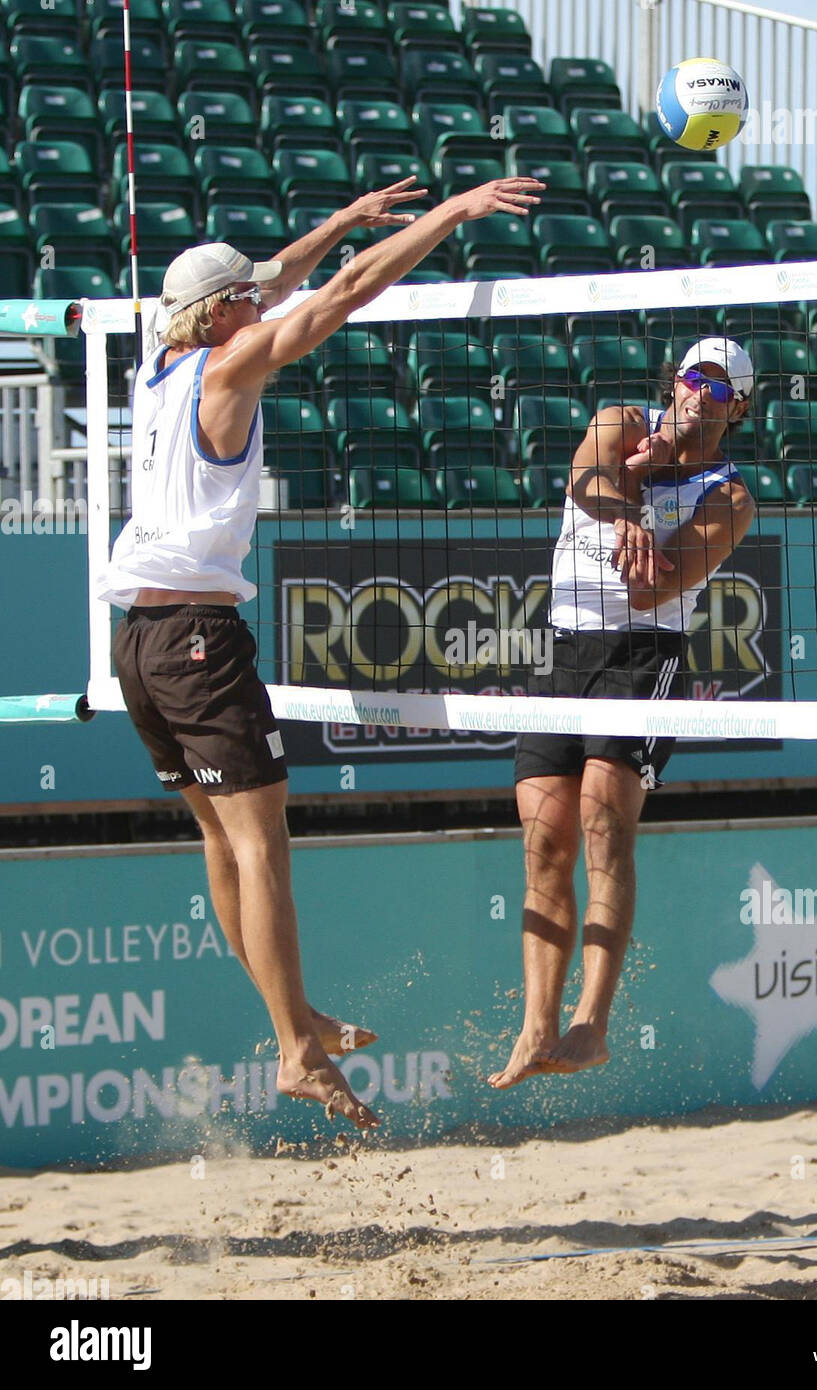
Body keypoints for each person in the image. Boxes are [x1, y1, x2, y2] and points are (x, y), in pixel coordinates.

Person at [97, 175, 545, 1129]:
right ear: (222, 315)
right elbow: (342, 295)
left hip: (135, 639)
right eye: (250, 301)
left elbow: (284, 274)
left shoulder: (160, 364)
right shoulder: (230, 368)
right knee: (263, 849)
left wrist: (337, 223)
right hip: (196, 641)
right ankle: (296, 1049)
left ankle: (293, 1019)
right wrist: (447, 215)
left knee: (221, 841)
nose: (265, 302)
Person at [489, 337, 757, 1089]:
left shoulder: (729, 495)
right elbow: (585, 478)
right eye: (692, 373)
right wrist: (627, 508)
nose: (699, 387)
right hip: (565, 646)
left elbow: (652, 594)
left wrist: (638, 522)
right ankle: (536, 1023)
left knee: (605, 820)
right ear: (674, 382)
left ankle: (592, 1023)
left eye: (718, 382)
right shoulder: (619, 420)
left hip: (645, 651)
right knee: (545, 841)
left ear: (738, 407)